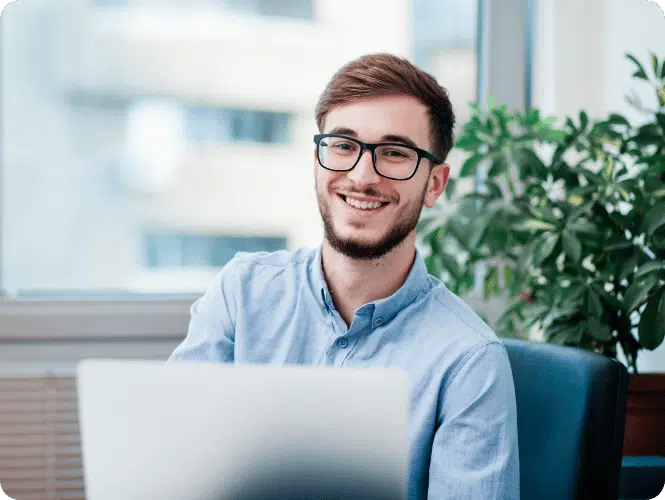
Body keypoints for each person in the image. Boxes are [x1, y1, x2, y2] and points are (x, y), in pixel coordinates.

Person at [168, 53, 520, 499]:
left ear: (434, 184)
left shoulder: (469, 360)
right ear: (318, 159)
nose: (361, 175)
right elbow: (175, 469)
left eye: (395, 153)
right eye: (343, 145)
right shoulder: (242, 292)